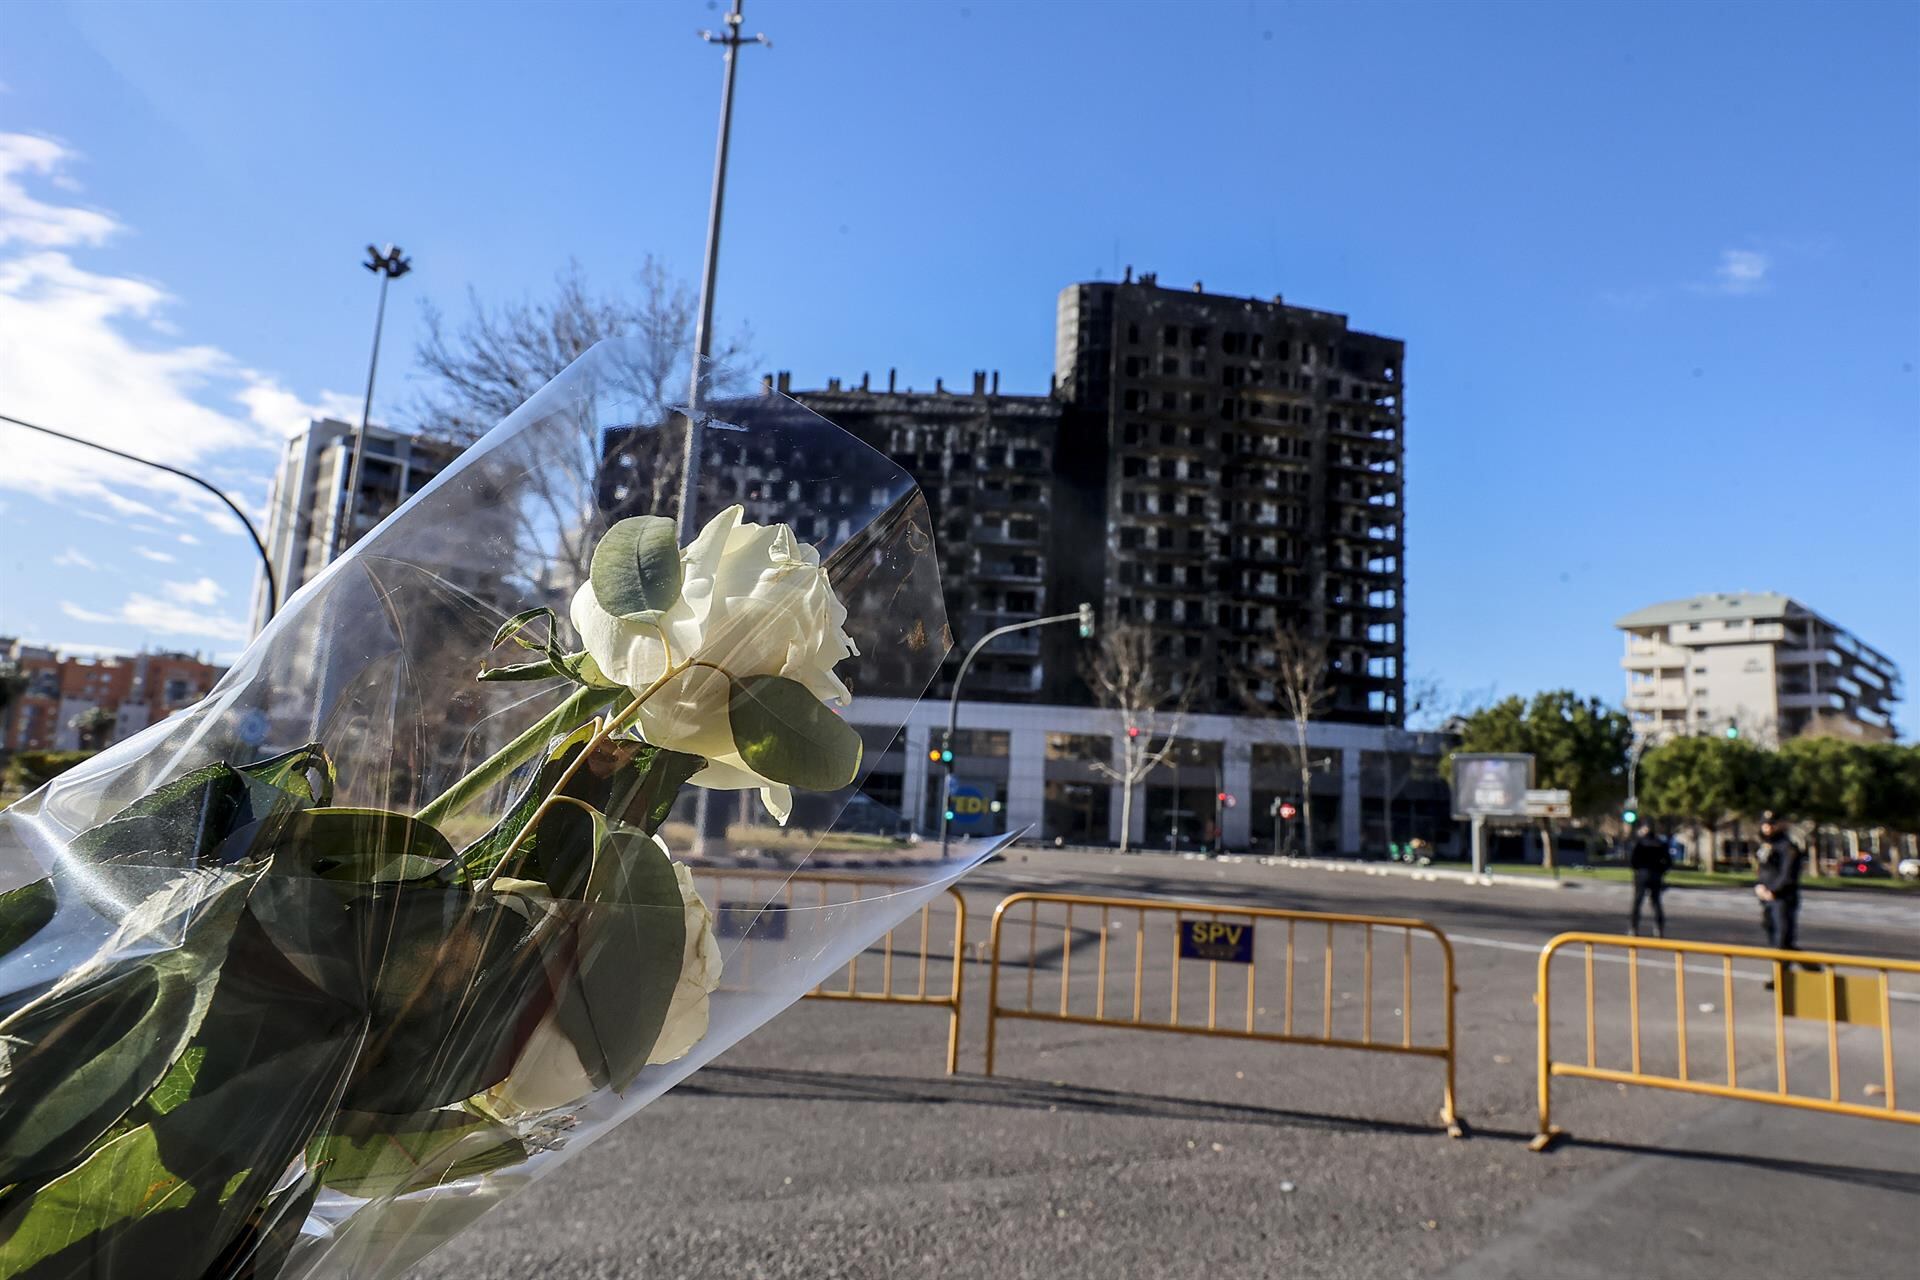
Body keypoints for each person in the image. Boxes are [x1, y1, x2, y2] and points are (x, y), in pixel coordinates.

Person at [1754, 811, 1806, 956]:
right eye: (1764, 824)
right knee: (1771, 933)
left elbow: (1788, 874)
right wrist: (1759, 885)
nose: (1767, 828)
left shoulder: (1787, 846)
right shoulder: (1766, 845)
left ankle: (1781, 975)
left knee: (1782, 939)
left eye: (1771, 824)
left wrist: (1774, 890)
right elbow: (1763, 869)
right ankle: (1804, 967)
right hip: (1767, 897)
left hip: (1782, 898)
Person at [1628, 823, 1671, 937]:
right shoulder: (1661, 844)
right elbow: (1668, 861)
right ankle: (1658, 928)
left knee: (1637, 902)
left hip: (1642, 874)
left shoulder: (1640, 843)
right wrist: (1661, 871)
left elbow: (1633, 860)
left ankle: (1634, 928)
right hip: (1656, 874)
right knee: (1656, 902)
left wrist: (1637, 869)